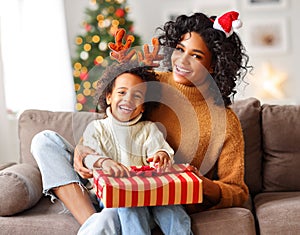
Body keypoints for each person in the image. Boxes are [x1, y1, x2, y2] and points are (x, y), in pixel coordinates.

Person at [31, 10, 251, 234]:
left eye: (196, 56)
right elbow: (110, 125)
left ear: (213, 65)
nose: (182, 61)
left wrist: (199, 183)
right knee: (45, 141)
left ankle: (107, 218)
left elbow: (238, 191)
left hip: (152, 197)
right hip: (106, 176)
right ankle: (96, 220)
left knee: (131, 207)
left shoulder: (225, 121)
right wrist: (82, 151)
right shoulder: (152, 83)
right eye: (179, 49)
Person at [81, 61, 192, 235]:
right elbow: (87, 157)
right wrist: (102, 163)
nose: (128, 100)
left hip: (151, 194)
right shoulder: (96, 129)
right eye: (122, 92)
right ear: (109, 96)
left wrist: (161, 155)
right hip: (115, 197)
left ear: (143, 106)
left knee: (172, 208)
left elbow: (160, 150)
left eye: (137, 96)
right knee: (128, 203)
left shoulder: (148, 129)